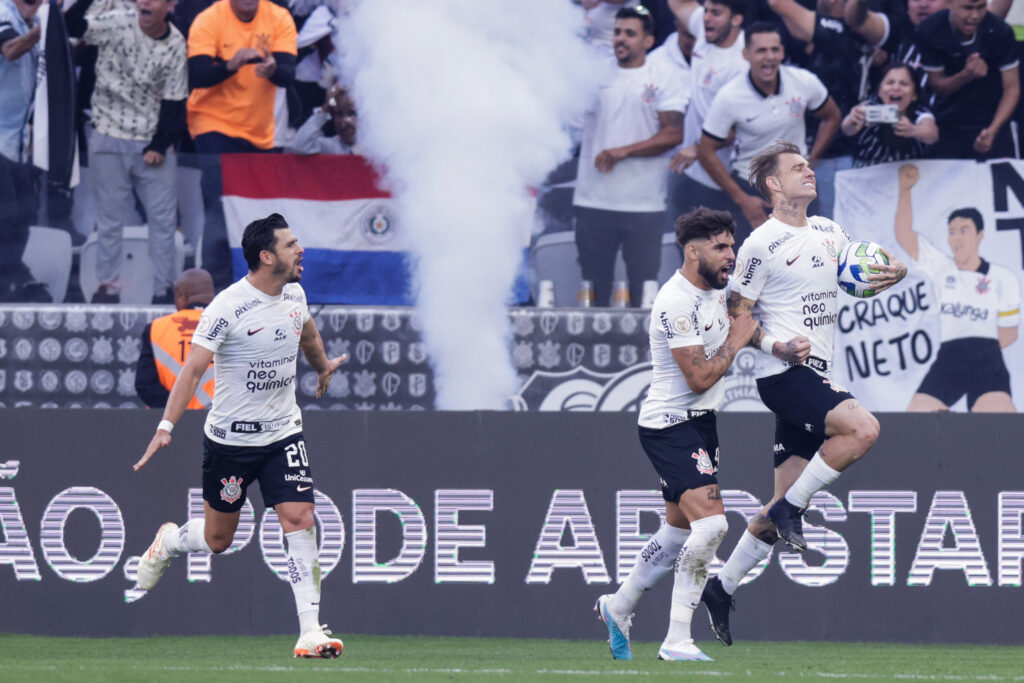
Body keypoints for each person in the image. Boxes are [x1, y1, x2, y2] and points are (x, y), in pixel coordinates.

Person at [698, 142, 907, 647]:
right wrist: (775, 345)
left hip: (818, 372)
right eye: (797, 168)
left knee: (772, 513)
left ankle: (721, 588)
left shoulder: (832, 231)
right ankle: (792, 508)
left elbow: (861, 272)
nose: (809, 172)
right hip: (785, 377)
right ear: (773, 184)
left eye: (810, 166)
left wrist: (892, 274)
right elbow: (737, 316)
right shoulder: (759, 245)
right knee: (864, 429)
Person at [132, 213, 349, 659]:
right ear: (267, 256)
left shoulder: (294, 292)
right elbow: (193, 370)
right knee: (218, 540)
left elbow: (306, 334)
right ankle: (170, 541)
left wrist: (322, 366)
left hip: (283, 433)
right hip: (230, 442)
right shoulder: (227, 307)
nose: (300, 249)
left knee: (300, 517)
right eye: (291, 245)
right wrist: (165, 427)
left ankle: (310, 631)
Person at [594, 207, 757, 662]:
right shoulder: (675, 301)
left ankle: (618, 605)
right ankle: (677, 640)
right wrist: (739, 340)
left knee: (676, 531)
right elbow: (699, 378)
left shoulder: (717, 291)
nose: (731, 255)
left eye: (732, 245)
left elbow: (739, 329)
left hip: (701, 423)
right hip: (670, 424)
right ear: (692, 251)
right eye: (721, 247)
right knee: (713, 525)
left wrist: (777, 346)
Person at [66, 0, 188, 304]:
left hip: (152, 143)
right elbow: (71, 26)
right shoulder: (118, 21)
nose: (144, 2)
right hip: (108, 136)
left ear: (170, 5)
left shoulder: (175, 42)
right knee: (109, 219)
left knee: (162, 221)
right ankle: (106, 288)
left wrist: (160, 143)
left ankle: (164, 292)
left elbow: (176, 98)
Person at [573, 5, 686, 307]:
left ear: (648, 41)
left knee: (643, 291)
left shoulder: (665, 76)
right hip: (592, 199)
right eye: (618, 32)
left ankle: (641, 353)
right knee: (593, 288)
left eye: (630, 34)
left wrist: (622, 151)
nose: (621, 39)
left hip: (643, 202)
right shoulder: (593, 73)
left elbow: (674, 133)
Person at [186, 0, 297, 290]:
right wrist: (231, 64)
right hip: (213, 123)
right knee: (218, 202)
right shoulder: (209, 19)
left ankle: (258, 283)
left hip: (259, 133)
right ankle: (215, 283)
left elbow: (288, 73)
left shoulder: (279, 17)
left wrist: (273, 69)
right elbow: (196, 74)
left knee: (258, 213)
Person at [697, 22, 841, 245]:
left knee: (811, 259)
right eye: (761, 50)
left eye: (775, 49)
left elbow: (832, 116)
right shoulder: (729, 95)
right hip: (753, 188)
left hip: (799, 185)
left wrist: (810, 161)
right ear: (746, 54)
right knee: (754, 267)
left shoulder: (804, 81)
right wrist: (742, 199)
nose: (769, 57)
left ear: (782, 52)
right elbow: (705, 150)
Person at [894, 164, 1019, 412]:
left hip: (987, 359)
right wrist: (905, 190)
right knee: (916, 422)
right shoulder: (942, 268)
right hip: (949, 358)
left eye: (964, 231)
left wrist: (979, 344)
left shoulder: (1003, 277)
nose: (958, 238)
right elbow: (904, 234)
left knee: (998, 426)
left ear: (979, 235)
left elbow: (1010, 334)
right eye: (953, 232)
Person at [764, 0, 872, 218]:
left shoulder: (836, 28)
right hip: (835, 152)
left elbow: (778, 3)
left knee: (829, 232)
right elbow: (793, 23)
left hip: (834, 157)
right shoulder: (850, 33)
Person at [665, 0, 746, 234]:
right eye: (706, 11)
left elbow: (741, 128)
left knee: (721, 260)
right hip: (688, 171)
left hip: (722, 180)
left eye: (716, 13)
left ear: (736, 19)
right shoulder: (705, 29)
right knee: (687, 258)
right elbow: (678, 4)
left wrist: (699, 146)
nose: (707, 17)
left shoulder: (742, 63)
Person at [915, 0, 1019, 159]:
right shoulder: (930, 30)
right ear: (949, 4)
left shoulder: (1000, 31)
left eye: (981, 7)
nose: (975, 15)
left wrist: (993, 129)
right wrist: (966, 75)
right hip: (947, 123)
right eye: (968, 8)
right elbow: (938, 87)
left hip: (992, 122)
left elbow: (1011, 88)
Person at [0, 0, 51, 303]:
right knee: (7, 214)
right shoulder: (3, 11)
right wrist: (46, 29)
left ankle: (12, 276)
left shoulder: (29, 18)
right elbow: (10, 50)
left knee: (25, 211)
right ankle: (9, 277)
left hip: (17, 141)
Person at [135, 268, 217, 409]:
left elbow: (145, 384)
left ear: (181, 297)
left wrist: (174, 411)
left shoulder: (156, 329)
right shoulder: (230, 328)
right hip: (217, 423)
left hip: (168, 425)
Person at [841, 63, 939, 167]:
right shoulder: (869, 107)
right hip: (867, 174)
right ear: (879, 90)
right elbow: (847, 129)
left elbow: (932, 134)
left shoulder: (919, 112)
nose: (896, 88)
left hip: (908, 176)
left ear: (914, 95)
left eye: (904, 84)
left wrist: (913, 130)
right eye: (890, 82)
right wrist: (852, 119)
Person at [287, 83, 358, 155]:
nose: (343, 123)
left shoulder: (369, 146)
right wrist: (325, 108)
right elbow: (300, 146)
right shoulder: (332, 147)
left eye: (352, 113)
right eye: (339, 114)